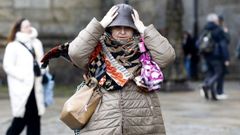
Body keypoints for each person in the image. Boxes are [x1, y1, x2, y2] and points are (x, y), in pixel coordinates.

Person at [66, 3, 175, 134]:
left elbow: (167, 57)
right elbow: (75, 53)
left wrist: (144, 30)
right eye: (117, 27)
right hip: (102, 124)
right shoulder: (96, 50)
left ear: (134, 29)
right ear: (110, 28)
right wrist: (99, 26)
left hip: (143, 123)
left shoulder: (145, 49)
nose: (122, 32)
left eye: (127, 28)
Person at [3, 18, 45, 135]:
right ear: (19, 29)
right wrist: (24, 76)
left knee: (35, 119)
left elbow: (42, 61)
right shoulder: (13, 46)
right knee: (20, 120)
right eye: (26, 26)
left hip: (36, 86)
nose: (29, 28)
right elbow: (8, 66)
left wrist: (44, 70)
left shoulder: (37, 43)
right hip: (22, 87)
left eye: (29, 25)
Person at [198, 13, 229, 101]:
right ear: (215, 20)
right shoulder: (218, 29)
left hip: (207, 55)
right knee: (218, 73)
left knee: (211, 73)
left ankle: (213, 95)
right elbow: (223, 44)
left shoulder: (205, 28)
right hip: (216, 55)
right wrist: (226, 58)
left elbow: (198, 42)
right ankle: (207, 85)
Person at [216, 15, 230, 99]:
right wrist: (226, 32)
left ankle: (208, 86)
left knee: (213, 73)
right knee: (219, 74)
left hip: (212, 55)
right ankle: (219, 91)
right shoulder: (221, 30)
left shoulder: (212, 29)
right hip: (220, 56)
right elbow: (226, 42)